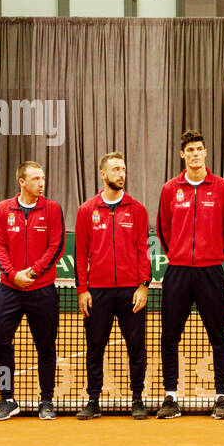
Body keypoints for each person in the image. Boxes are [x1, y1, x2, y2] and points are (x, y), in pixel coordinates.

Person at [156, 130, 224, 419]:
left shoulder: (223, 188)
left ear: (205, 153)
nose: (195, 154)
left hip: (211, 272)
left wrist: (213, 256)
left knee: (219, 336)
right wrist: (177, 255)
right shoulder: (169, 190)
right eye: (190, 150)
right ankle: (170, 396)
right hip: (177, 272)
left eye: (199, 149)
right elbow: (163, 229)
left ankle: (221, 396)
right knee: (169, 337)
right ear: (182, 155)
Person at [74, 152, 151, 420]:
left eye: (124, 169)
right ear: (103, 174)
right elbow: (80, 253)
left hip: (131, 292)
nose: (121, 173)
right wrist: (82, 290)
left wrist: (143, 285)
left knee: (136, 347)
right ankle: (93, 399)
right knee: (95, 346)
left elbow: (143, 249)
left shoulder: (138, 210)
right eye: (116, 169)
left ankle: (138, 399)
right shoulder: (87, 210)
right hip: (98, 292)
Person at [0, 161, 65, 420]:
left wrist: (32, 273)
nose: (41, 183)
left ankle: (46, 400)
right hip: (9, 290)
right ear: (21, 181)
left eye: (42, 178)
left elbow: (56, 246)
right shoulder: (3, 209)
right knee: (1, 343)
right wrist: (13, 275)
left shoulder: (53, 209)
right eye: (35, 179)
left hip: (42, 290)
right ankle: (7, 399)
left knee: (46, 347)